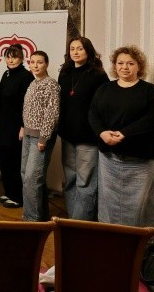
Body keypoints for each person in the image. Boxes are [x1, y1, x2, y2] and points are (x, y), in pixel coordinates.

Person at [89, 45, 154, 227]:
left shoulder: (149, 91)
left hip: (140, 160)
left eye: (130, 63)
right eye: (120, 63)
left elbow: (153, 118)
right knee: (109, 205)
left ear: (139, 66)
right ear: (115, 66)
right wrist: (102, 133)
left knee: (139, 207)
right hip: (109, 158)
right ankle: (113, 240)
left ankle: (141, 241)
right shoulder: (104, 89)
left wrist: (125, 134)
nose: (125, 67)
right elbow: (93, 114)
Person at [57, 37, 109, 220]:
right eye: (72, 49)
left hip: (88, 137)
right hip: (68, 135)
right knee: (70, 180)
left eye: (80, 48)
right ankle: (72, 220)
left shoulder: (98, 75)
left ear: (88, 51)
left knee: (85, 183)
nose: (75, 52)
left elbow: (104, 107)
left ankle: (81, 225)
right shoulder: (65, 73)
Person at [0, 44, 33, 208]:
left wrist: (23, 126)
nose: (10, 60)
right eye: (8, 57)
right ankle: (9, 192)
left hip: (17, 127)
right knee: (3, 159)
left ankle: (18, 197)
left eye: (14, 57)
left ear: (21, 58)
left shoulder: (26, 76)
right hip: (4, 124)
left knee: (15, 162)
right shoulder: (6, 74)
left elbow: (27, 105)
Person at [20, 51, 60, 222]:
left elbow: (52, 113)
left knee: (32, 178)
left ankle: (31, 220)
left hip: (40, 138)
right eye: (32, 62)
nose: (35, 65)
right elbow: (28, 108)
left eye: (40, 62)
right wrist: (23, 127)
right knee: (26, 174)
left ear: (46, 64)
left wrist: (44, 137)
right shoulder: (32, 83)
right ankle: (41, 216)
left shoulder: (51, 84)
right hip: (28, 135)